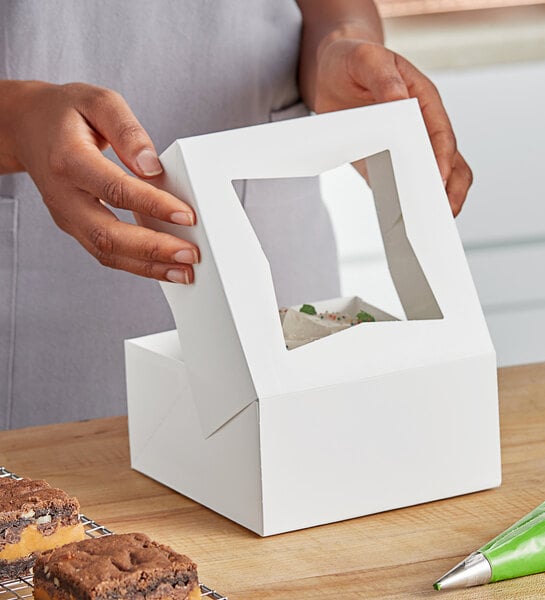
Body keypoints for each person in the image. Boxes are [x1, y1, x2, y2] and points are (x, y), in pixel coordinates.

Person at [0, 0, 472, 429]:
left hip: (282, 255)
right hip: (38, 317)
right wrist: (17, 120)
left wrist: (337, 48)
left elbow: (331, 8)